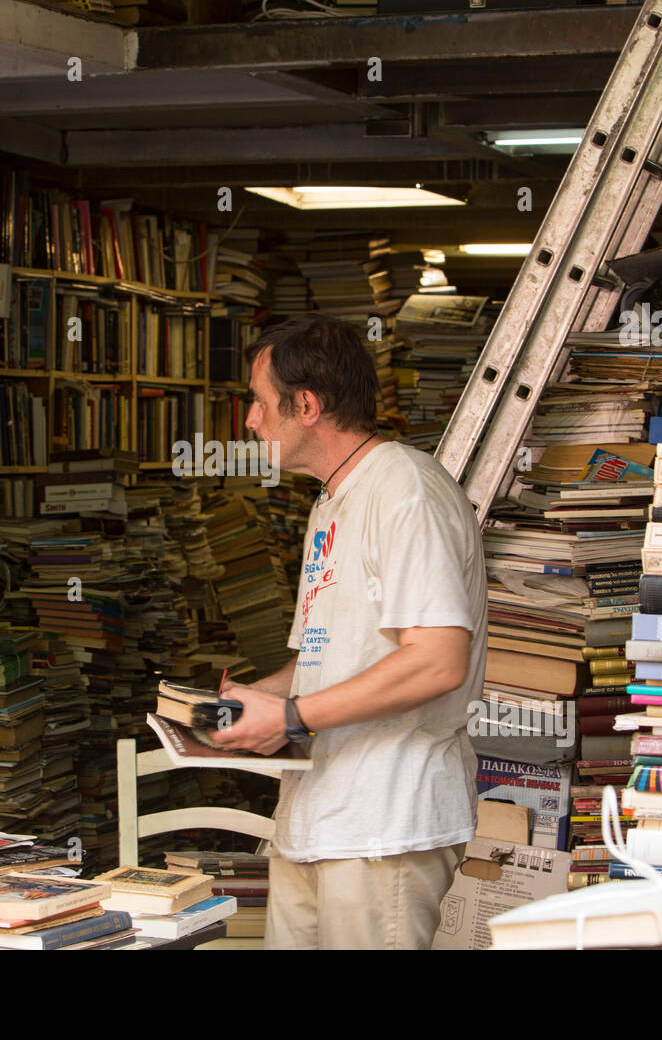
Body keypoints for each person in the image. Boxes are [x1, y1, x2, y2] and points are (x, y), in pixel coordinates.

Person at [209, 314, 487, 950]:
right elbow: (321, 658)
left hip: (383, 824)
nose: (250, 421)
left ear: (305, 405)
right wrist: (257, 701)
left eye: (257, 402)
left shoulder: (405, 492)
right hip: (317, 815)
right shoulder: (334, 499)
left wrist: (291, 717)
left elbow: (437, 661)